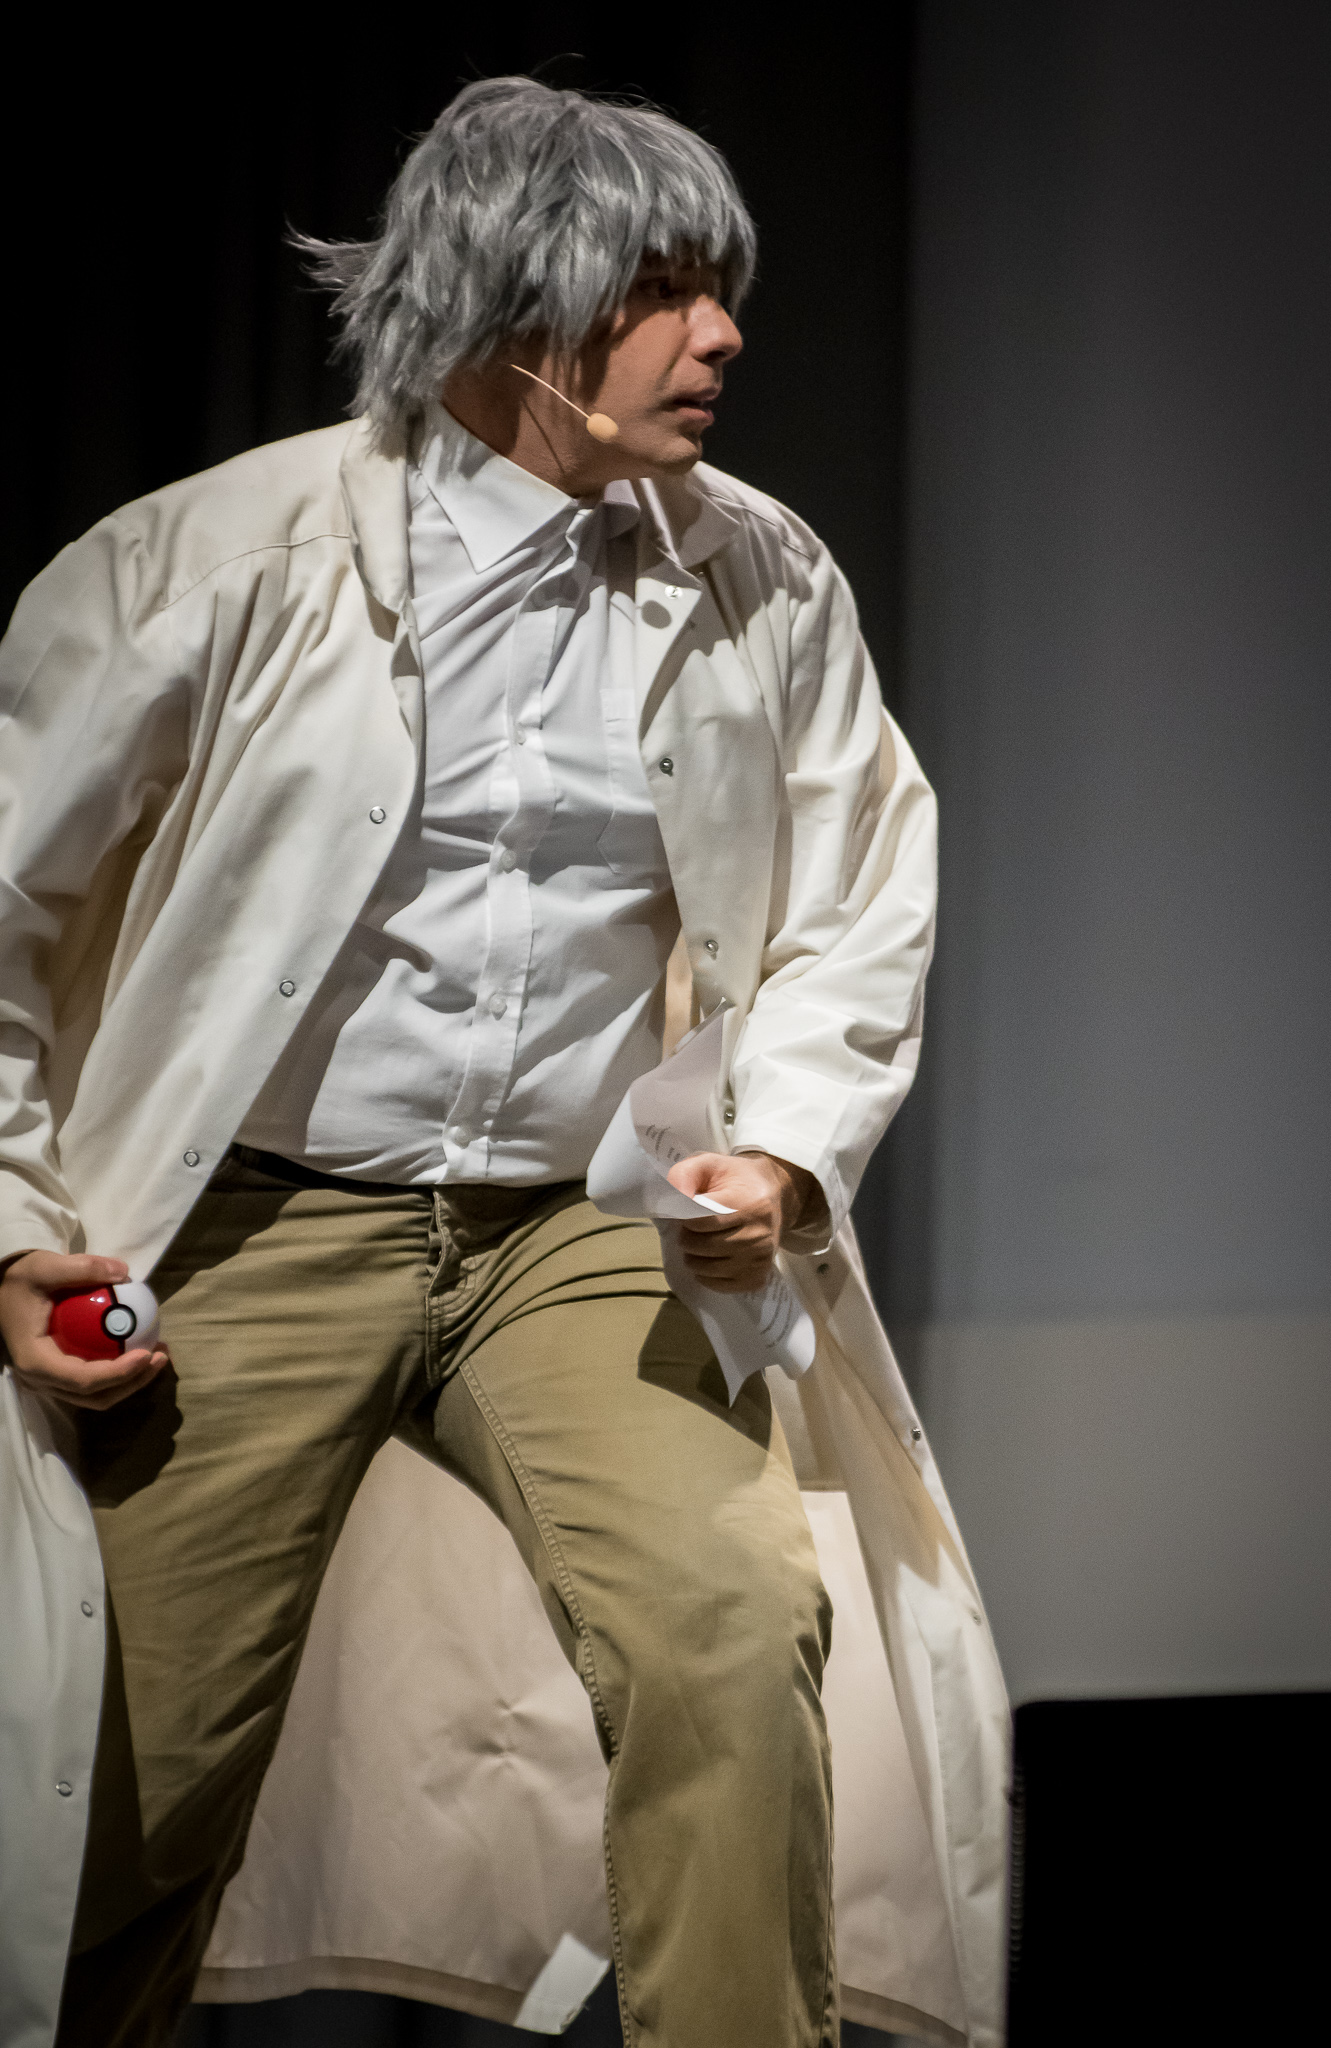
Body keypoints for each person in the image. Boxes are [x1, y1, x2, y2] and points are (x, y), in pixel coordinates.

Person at [0, 77, 1008, 2048]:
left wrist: (781, 1150)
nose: (721, 336)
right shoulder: (216, 559)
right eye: (663, 291)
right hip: (256, 1214)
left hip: (575, 1228)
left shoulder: (760, 573)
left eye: (720, 291)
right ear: (513, 306)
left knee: (731, 1634)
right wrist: (17, 1224)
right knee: (132, 1755)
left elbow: (863, 890)